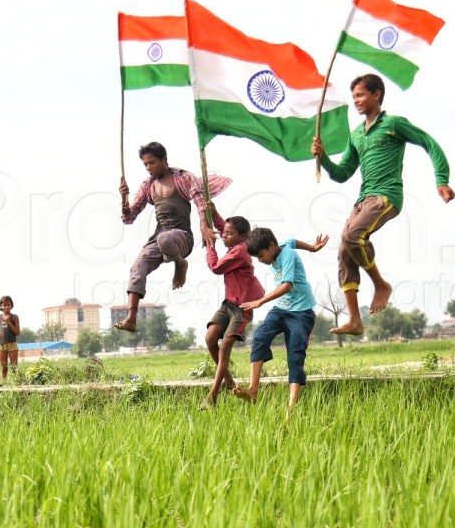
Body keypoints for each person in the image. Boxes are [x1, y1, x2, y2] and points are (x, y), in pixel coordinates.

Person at [311, 73, 455, 335]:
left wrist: (441, 180)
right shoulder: (356, 135)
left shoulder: (393, 124)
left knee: (353, 235)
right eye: (353, 96)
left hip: (386, 196)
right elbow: (343, 173)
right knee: (344, 249)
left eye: (361, 95)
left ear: (376, 94)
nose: (356, 101)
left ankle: (381, 285)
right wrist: (324, 159)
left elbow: (429, 143)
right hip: (363, 199)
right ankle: (355, 320)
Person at [115, 141, 231, 332]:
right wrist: (124, 199)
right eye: (145, 164)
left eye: (152, 163)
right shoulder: (148, 185)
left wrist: (204, 226)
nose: (148, 168)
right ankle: (131, 317)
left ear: (164, 160)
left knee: (166, 239)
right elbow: (129, 218)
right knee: (138, 266)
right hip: (159, 234)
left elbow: (200, 202)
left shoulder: (183, 177)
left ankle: (180, 263)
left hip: (181, 236)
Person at [233, 227, 328, 414]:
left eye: (261, 256)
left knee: (295, 356)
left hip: (302, 313)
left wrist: (260, 301)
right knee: (260, 336)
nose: (261, 261)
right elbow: (292, 239)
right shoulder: (282, 246)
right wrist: (312, 248)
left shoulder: (288, 256)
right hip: (282, 309)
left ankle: (291, 409)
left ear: (271, 246)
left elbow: (286, 285)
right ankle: (253, 390)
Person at [199, 206, 264, 409]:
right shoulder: (236, 242)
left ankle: (212, 395)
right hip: (228, 303)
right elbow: (223, 226)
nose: (223, 236)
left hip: (242, 308)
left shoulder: (240, 251)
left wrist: (210, 244)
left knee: (225, 347)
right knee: (210, 338)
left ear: (242, 236)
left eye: (229, 234)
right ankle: (229, 381)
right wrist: (214, 212)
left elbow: (216, 267)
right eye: (224, 232)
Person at [0, 295, 20, 380]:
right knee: (4, 368)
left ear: (11, 305)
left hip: (12, 344)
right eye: (4, 305)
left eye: (8, 305)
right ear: (1, 306)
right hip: (2, 344)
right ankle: (4, 384)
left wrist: (9, 322)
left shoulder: (14, 317)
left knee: (14, 367)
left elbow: (17, 332)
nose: (6, 307)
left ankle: (16, 383)